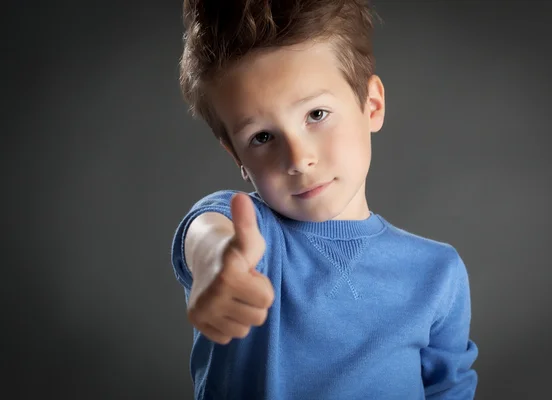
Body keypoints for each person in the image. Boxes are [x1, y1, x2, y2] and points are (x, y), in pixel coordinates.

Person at [170, 1, 478, 399]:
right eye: (262, 137)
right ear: (237, 157)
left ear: (372, 106)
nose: (298, 159)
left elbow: (449, 389)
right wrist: (213, 264)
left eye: (316, 114)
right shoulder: (251, 243)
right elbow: (206, 230)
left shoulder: (438, 273)